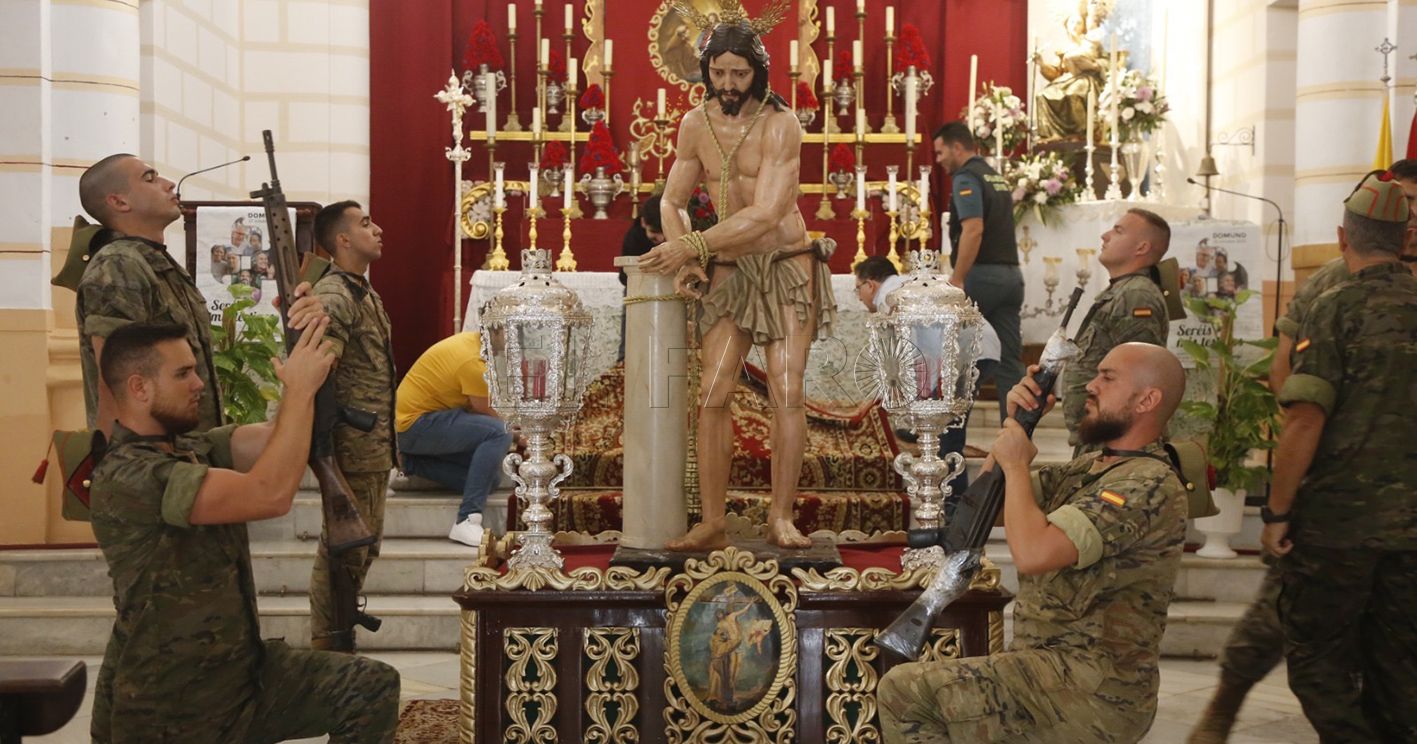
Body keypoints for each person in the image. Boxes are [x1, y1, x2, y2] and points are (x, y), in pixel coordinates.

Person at [67, 153, 326, 744]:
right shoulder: (118, 266)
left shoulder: (155, 262)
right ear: (118, 202)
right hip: (155, 470)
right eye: (148, 177)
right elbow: (118, 372)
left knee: (172, 620)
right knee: (160, 620)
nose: (166, 180)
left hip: (185, 457)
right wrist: (124, 467)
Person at [87, 321, 399, 743]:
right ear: (139, 388)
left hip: (240, 675)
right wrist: (299, 391)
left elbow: (276, 439)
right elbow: (268, 494)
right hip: (171, 704)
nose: (199, 383)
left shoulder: (190, 449)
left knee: (370, 686)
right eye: (183, 373)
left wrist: (308, 340)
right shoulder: (129, 475)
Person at [878, 342, 1190, 743]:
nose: (1091, 385)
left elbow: (1032, 553)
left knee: (905, 692)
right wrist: (1019, 424)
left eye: (1108, 378)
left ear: (1147, 400)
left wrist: (1016, 464)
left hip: (1092, 690)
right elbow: (986, 508)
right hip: (1046, 672)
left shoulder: (1147, 483)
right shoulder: (1090, 469)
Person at [639, 11, 836, 550]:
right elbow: (672, 203)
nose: (728, 84)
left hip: (785, 266)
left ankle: (781, 517)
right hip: (728, 269)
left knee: (786, 388)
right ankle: (712, 521)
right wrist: (688, 259)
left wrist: (693, 245)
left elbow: (768, 212)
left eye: (739, 74)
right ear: (706, 69)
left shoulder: (781, 123)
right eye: (719, 72)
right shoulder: (695, 123)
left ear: (759, 72)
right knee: (713, 391)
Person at [1261, 171, 1417, 742]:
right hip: (1412, 531)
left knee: (1317, 659)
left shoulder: (1335, 305)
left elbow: (1304, 418)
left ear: (1342, 237)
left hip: (1339, 526)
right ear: (1405, 238)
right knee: (1398, 666)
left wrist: (1277, 512)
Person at [306, 201, 398, 651]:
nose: (377, 229)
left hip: (371, 445)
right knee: (342, 551)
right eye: (365, 223)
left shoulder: (360, 291)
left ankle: (339, 633)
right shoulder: (336, 295)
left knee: (361, 546)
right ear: (342, 239)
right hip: (351, 445)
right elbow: (317, 371)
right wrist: (324, 448)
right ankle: (329, 643)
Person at [854, 255, 1001, 499]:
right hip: (980, 348)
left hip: (965, 353)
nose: (859, 297)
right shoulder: (906, 286)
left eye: (858, 288)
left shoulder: (891, 298)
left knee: (948, 432)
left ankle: (953, 505)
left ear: (870, 285)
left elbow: (909, 352)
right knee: (943, 425)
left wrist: (888, 396)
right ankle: (949, 499)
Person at [1061, 208, 1171, 456]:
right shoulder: (1122, 291)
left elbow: (1138, 377)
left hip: (1115, 440)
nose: (1105, 236)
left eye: (1118, 231)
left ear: (1141, 248)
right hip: (1101, 435)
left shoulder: (1136, 295)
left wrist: (1120, 448)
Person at [934, 121, 1025, 421]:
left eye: (941, 152)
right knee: (1009, 361)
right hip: (1011, 277)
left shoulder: (967, 177)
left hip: (982, 276)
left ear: (957, 147)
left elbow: (973, 228)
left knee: (960, 355)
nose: (939, 160)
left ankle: (949, 427)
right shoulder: (995, 176)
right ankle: (1014, 429)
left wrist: (957, 278)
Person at [395, 330, 515, 547]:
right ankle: (467, 518)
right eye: (511, 331)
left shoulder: (477, 345)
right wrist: (522, 433)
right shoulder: (473, 361)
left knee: (490, 479)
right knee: (499, 432)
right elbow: (487, 412)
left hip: (420, 425)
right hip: (412, 426)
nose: (516, 339)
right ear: (495, 329)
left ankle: (408, 462)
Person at [619, 194, 667, 361]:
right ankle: (625, 360)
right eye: (654, 232)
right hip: (638, 293)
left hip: (670, 294)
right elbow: (624, 276)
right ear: (643, 223)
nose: (660, 239)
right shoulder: (634, 238)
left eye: (663, 232)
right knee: (631, 342)